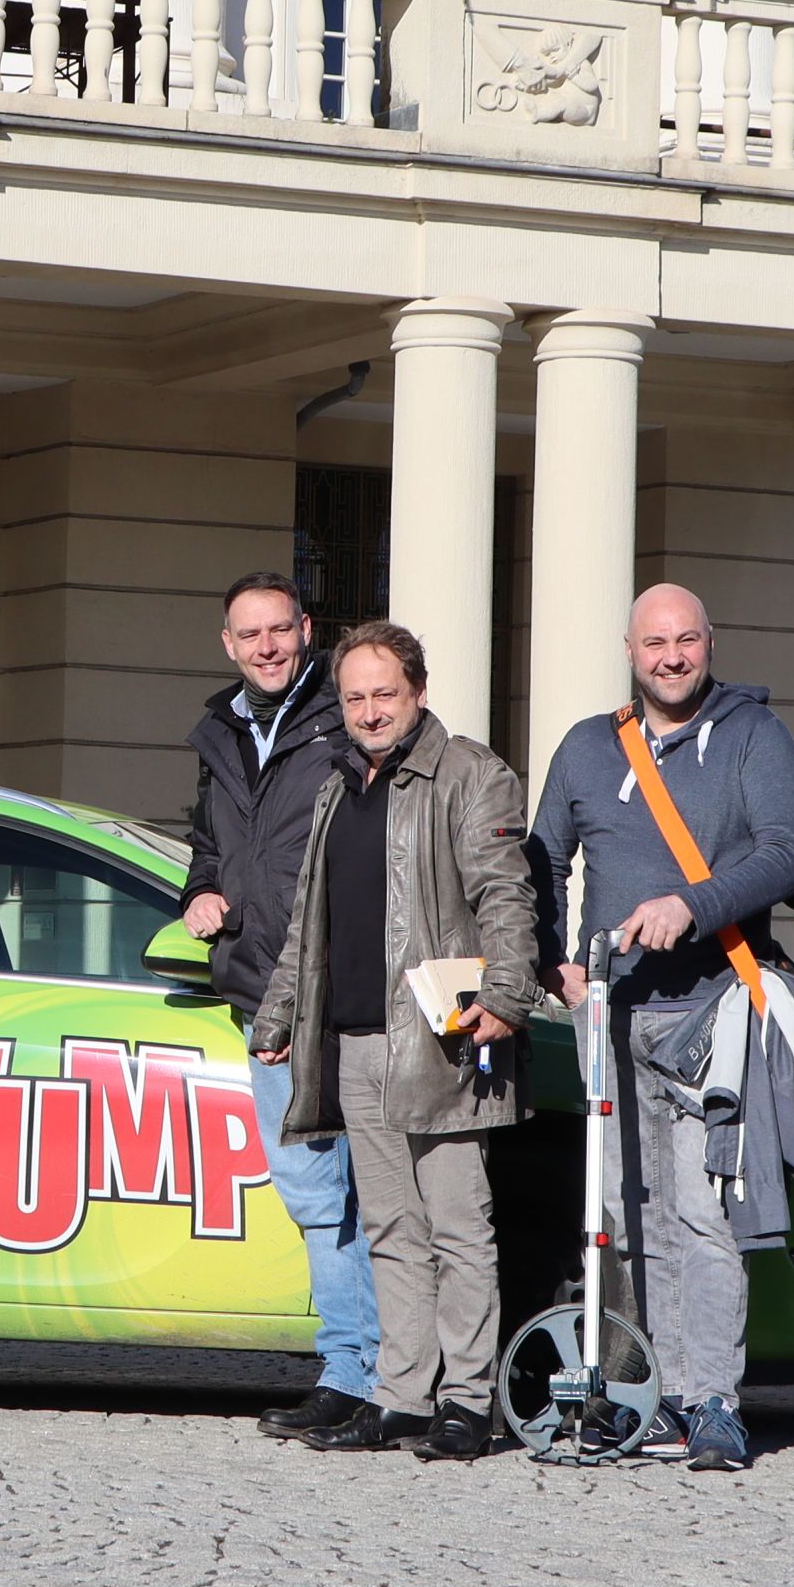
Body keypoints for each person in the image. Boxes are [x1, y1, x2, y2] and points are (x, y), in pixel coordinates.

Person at [530, 582, 794, 1473]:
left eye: (687, 639)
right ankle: (642, 1393)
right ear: (629, 647)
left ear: (710, 641)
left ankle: (713, 1399)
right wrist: (551, 961)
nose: (672, 656)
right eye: (656, 642)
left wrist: (689, 906)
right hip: (607, 1016)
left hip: (711, 1011)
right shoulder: (586, 745)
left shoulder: (754, 736)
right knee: (620, 1212)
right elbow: (540, 857)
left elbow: (785, 851)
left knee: (702, 1212)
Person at [245, 623, 540, 1463]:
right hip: (355, 1038)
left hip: (443, 1033)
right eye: (354, 696)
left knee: (457, 1225)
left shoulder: (470, 773)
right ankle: (404, 1397)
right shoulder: (339, 784)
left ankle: (467, 1401)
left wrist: (509, 994)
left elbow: (505, 897)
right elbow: (310, 921)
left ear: (417, 690)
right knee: (389, 1228)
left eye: (385, 693)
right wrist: (278, 1015)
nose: (369, 711)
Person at [177, 572, 374, 1442]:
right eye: (248, 633)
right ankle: (358, 1364)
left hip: (339, 988)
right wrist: (204, 889)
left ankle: (360, 1370)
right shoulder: (220, 728)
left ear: (306, 628)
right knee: (316, 1187)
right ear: (228, 642)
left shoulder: (346, 713)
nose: (266, 646)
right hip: (261, 992)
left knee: (350, 1190)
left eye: (279, 630)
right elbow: (209, 840)